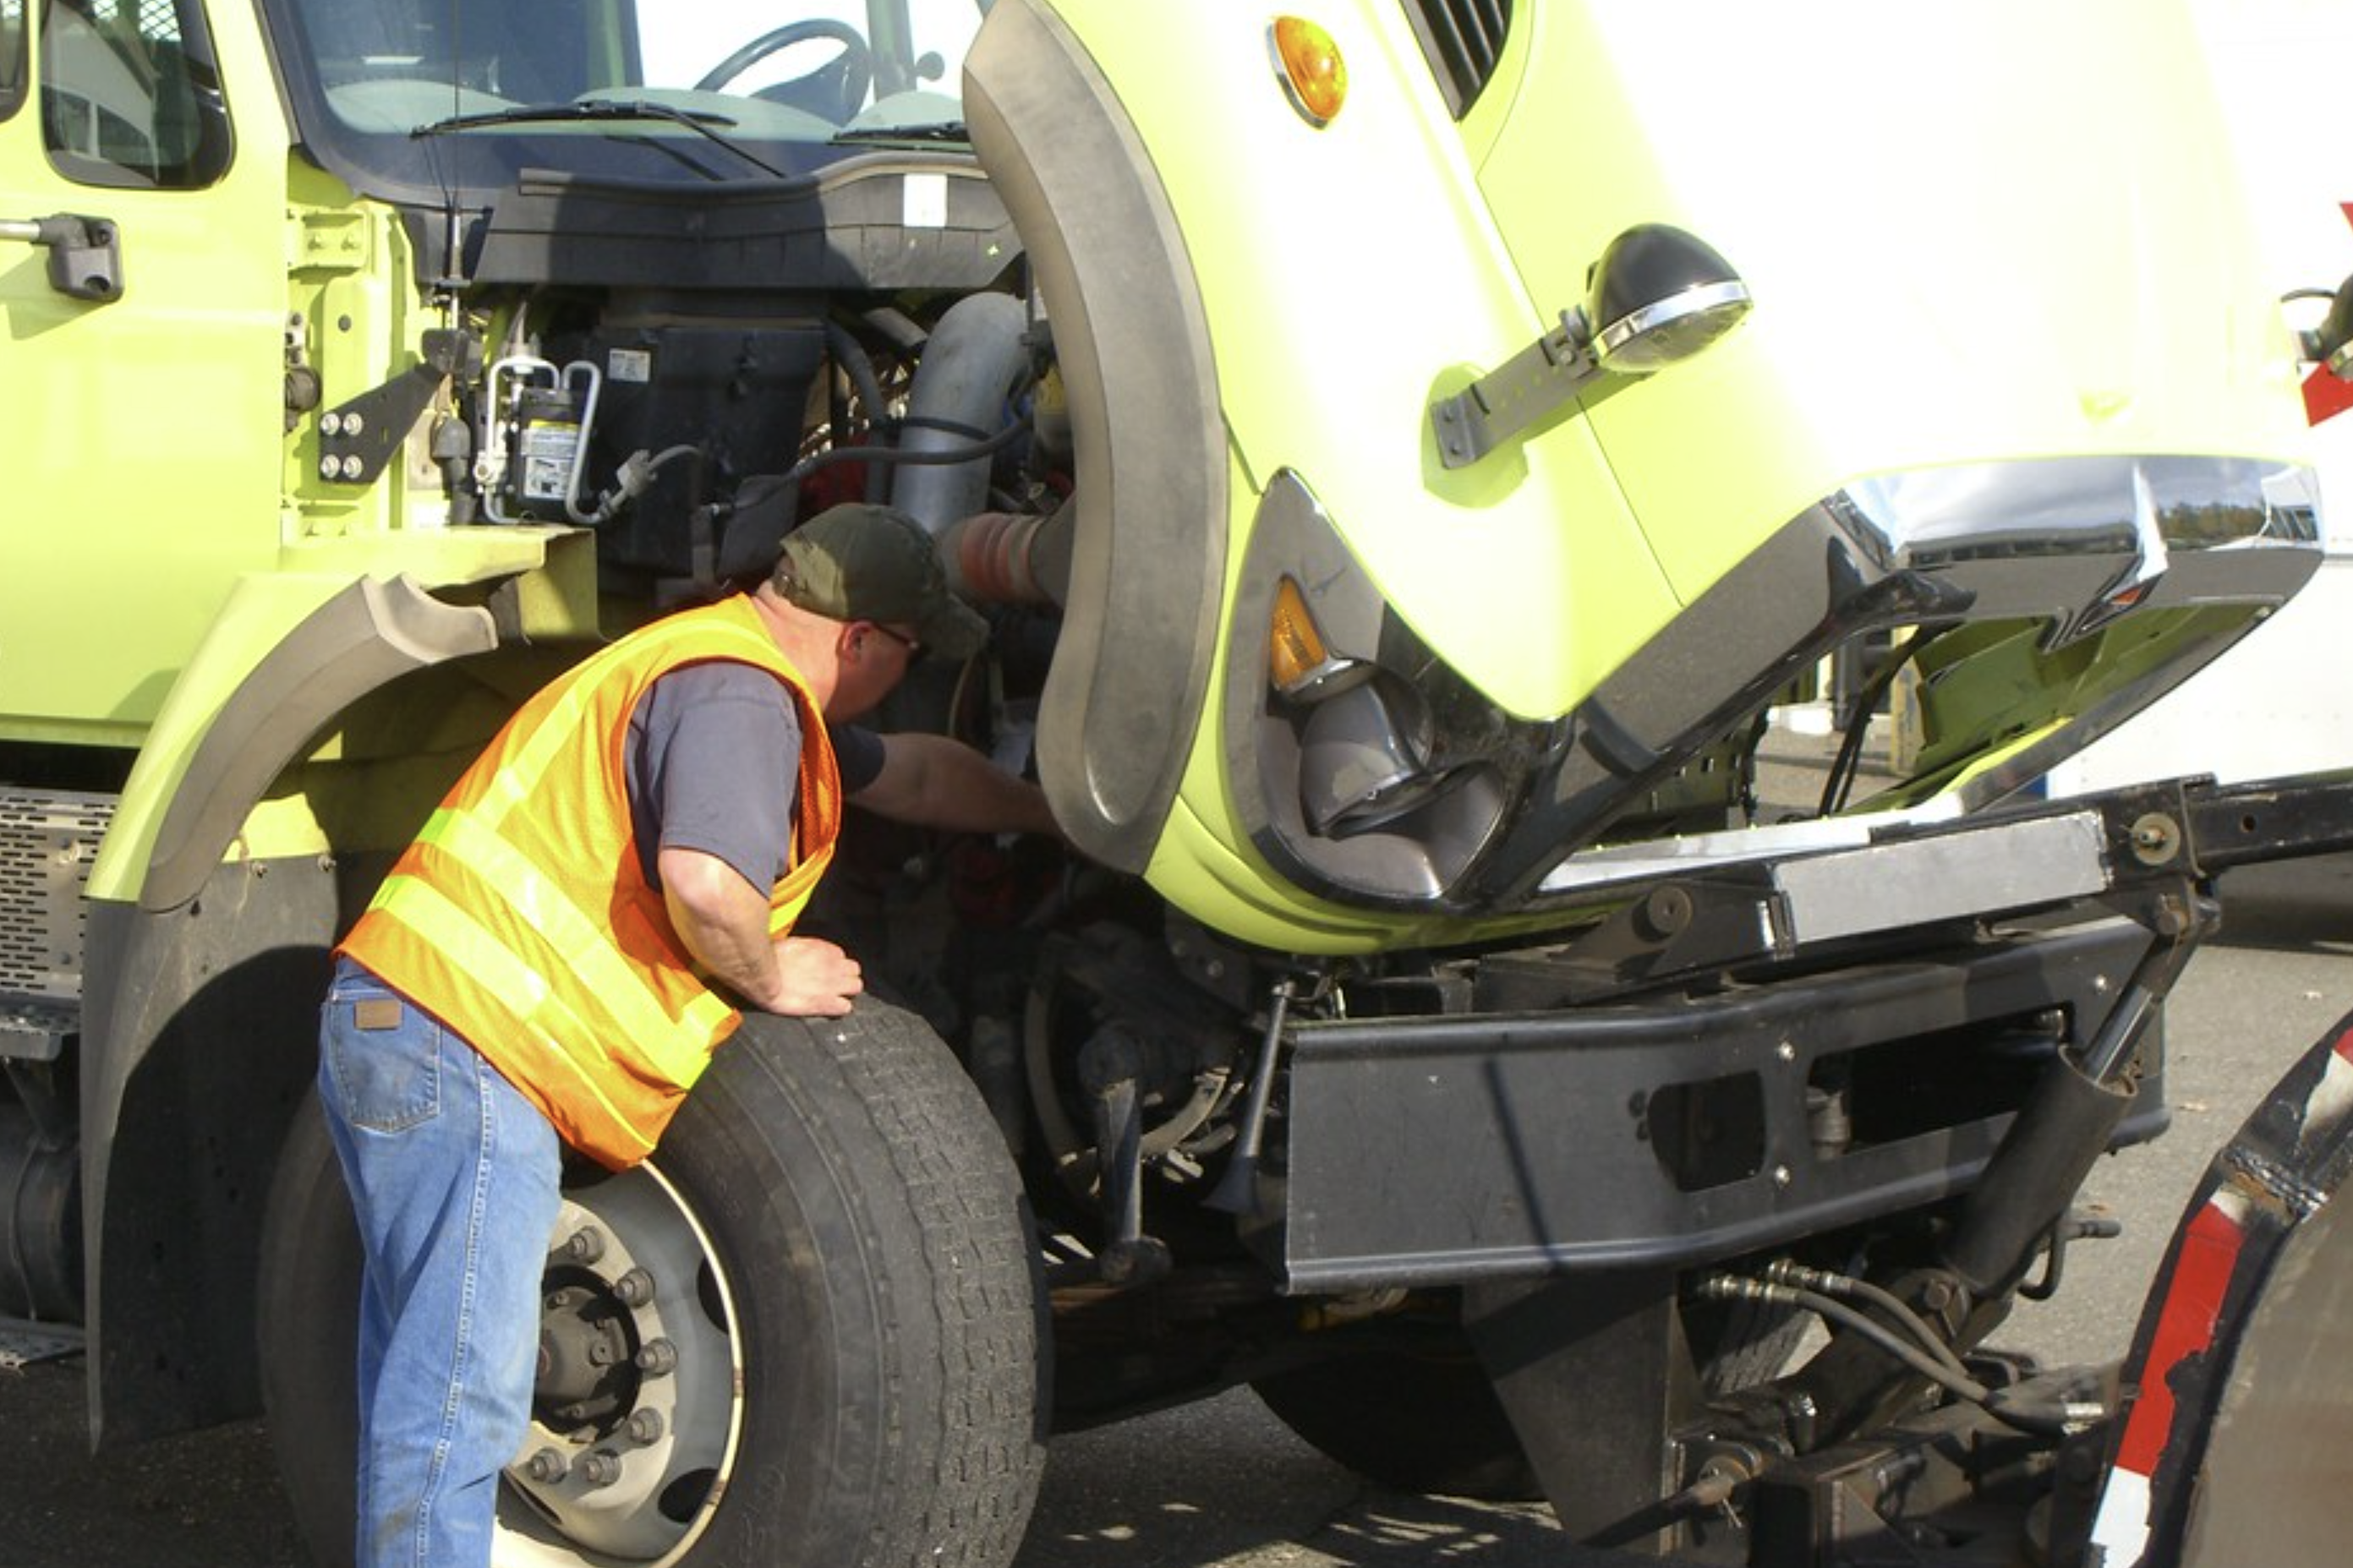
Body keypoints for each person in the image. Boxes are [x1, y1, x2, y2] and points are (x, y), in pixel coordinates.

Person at [315, 502, 1057, 1568]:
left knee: (428, 1373)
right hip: (458, 1042)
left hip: (423, 1028)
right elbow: (707, 886)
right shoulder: (736, 693)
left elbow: (919, 773)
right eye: (909, 654)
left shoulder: (722, 673)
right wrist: (770, 969)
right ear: (862, 640)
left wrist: (1049, 815)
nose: (905, 675)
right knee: (462, 1389)